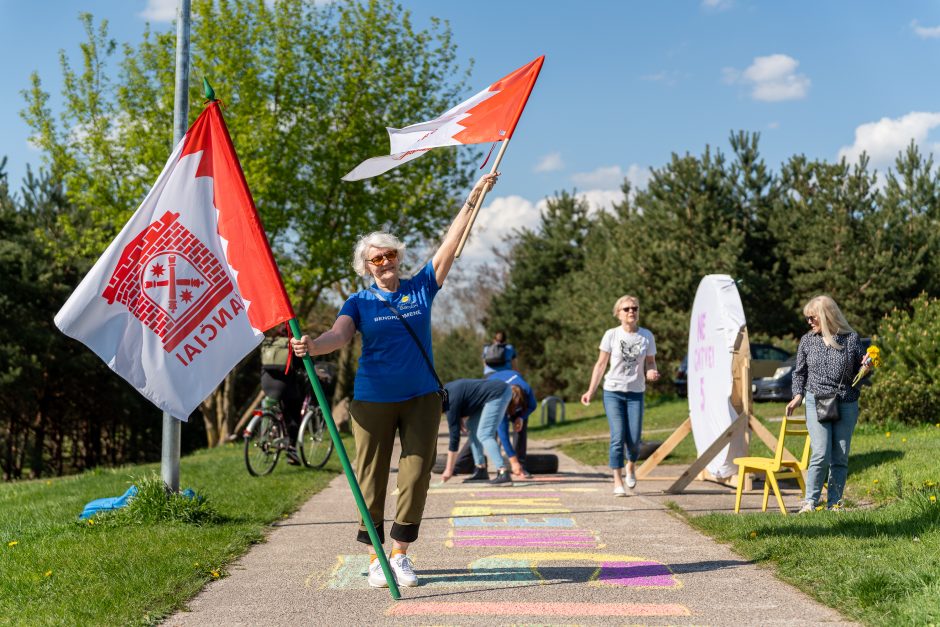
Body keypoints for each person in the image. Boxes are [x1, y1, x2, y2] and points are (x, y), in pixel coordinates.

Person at [290, 172, 499, 589]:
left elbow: (450, 246)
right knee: (370, 477)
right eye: (376, 259)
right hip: (372, 401)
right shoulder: (359, 301)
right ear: (366, 267)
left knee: (417, 473)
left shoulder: (421, 287)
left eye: (389, 256)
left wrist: (474, 195)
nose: (384, 263)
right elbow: (340, 335)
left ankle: (400, 553)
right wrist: (313, 345)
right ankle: (373, 555)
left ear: (399, 257)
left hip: (421, 397)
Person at [786, 295, 866, 513]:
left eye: (812, 318)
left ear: (826, 316)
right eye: (807, 318)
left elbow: (860, 374)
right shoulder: (807, 340)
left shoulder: (850, 339)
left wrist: (867, 367)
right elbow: (799, 372)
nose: (809, 322)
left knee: (840, 455)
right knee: (821, 452)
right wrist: (797, 395)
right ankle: (810, 502)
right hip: (816, 400)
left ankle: (834, 503)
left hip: (846, 401)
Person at [580, 295, 659, 496]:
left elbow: (650, 362)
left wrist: (651, 371)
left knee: (633, 439)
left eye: (634, 308)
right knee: (617, 436)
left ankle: (630, 466)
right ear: (618, 314)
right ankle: (617, 480)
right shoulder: (611, 335)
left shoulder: (646, 336)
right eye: (626, 309)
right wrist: (591, 390)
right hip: (613, 392)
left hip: (636, 393)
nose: (631, 311)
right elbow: (600, 365)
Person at [439, 378, 520, 486]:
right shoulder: (445, 392)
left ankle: (503, 472)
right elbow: (465, 398)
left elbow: (454, 438)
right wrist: (458, 416)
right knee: (471, 426)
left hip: (498, 393)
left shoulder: (449, 402)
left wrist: (449, 470)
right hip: (490, 395)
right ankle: (481, 469)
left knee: (485, 434)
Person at [488, 369, 537, 479]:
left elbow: (532, 406)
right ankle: (497, 467)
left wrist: (521, 417)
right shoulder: (499, 399)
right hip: (492, 388)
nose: (513, 413)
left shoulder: (526, 390)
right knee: (488, 432)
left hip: (512, 379)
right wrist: (513, 461)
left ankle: (521, 465)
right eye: (511, 410)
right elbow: (504, 435)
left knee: (521, 427)